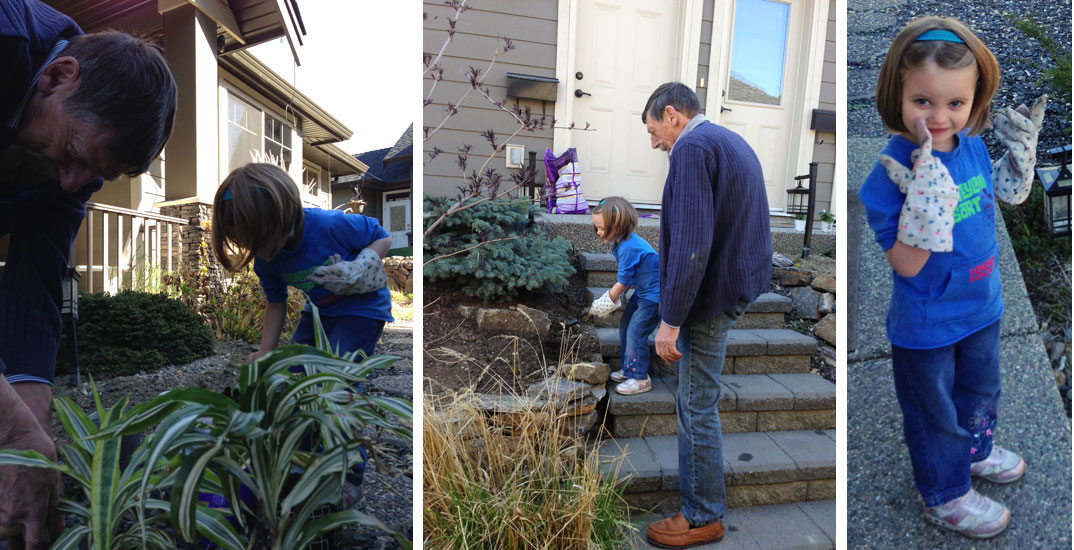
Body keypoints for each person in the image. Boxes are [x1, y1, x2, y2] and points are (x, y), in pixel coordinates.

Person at [857, 16, 1045, 539]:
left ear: (975, 100)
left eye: (956, 104)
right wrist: (926, 202)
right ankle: (944, 492)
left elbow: (1002, 199)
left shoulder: (973, 148)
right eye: (923, 102)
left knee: (982, 388)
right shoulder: (888, 176)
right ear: (896, 93)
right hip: (927, 323)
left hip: (982, 306)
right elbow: (907, 264)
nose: (940, 117)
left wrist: (1022, 160)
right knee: (933, 412)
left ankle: (976, 451)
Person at [0, 1, 176, 546]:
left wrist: (31, 444)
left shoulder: (76, 167)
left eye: (95, 174)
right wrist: (11, 430)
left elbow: (34, 290)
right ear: (58, 77)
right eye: (77, 153)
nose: (74, 183)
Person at [640, 82, 772, 548]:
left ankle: (702, 516)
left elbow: (693, 244)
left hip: (710, 296)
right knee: (700, 401)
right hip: (735, 284)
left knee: (696, 405)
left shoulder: (693, 148)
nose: (655, 143)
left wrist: (670, 321)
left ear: (672, 115)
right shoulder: (726, 139)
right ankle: (703, 508)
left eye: (655, 131)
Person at [210, 163, 394, 362]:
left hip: (363, 309)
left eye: (260, 240)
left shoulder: (329, 225)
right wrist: (266, 350)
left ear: (282, 215)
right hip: (317, 312)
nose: (259, 251)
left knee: (338, 371)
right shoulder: (267, 259)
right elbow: (276, 303)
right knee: (292, 369)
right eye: (250, 245)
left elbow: (382, 236)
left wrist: (362, 266)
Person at [588, 197, 660, 396]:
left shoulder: (628, 246)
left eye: (602, 228)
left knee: (636, 332)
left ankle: (640, 378)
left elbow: (623, 280)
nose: (599, 232)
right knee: (625, 326)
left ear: (619, 225)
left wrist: (606, 301)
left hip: (655, 296)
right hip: (643, 292)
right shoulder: (621, 243)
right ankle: (630, 369)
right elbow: (628, 278)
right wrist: (614, 297)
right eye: (597, 228)